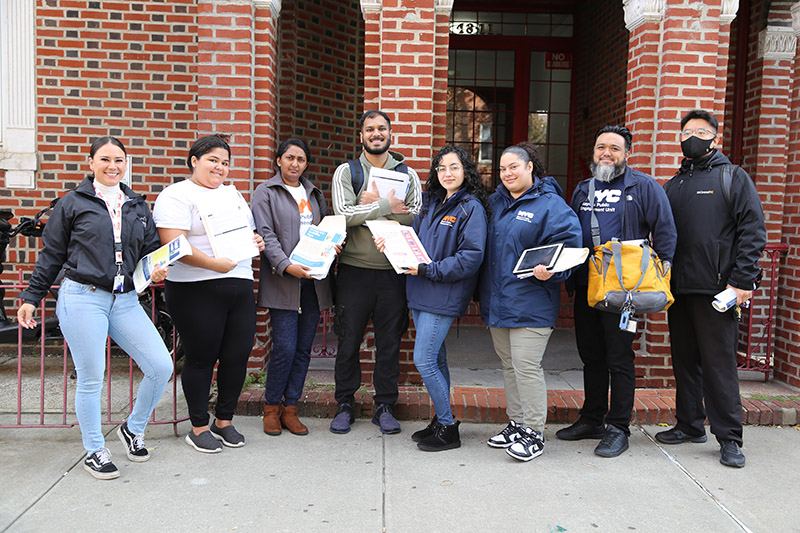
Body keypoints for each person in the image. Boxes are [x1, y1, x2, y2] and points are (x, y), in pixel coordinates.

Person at [17, 136, 173, 480]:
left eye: (119, 159)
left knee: (161, 366)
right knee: (91, 378)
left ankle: (133, 429)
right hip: (82, 297)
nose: (113, 166)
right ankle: (94, 449)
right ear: (91, 163)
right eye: (105, 159)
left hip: (126, 299)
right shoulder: (73, 203)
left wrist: (157, 268)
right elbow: (52, 255)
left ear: (126, 163)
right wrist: (31, 297)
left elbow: (148, 252)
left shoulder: (137, 204)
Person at [558, 125, 676, 458]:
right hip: (587, 286)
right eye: (600, 148)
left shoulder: (644, 187)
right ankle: (592, 418)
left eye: (614, 148)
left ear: (626, 154)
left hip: (625, 291)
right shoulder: (583, 189)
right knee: (591, 355)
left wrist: (661, 271)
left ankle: (618, 427)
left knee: (620, 358)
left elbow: (665, 231)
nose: (606, 153)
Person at [660, 109, 766, 468]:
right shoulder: (672, 185)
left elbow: (753, 231)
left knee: (719, 365)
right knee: (685, 362)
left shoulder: (732, 178)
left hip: (718, 291)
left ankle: (730, 438)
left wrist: (742, 280)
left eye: (701, 131)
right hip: (679, 289)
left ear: (714, 138)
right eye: (686, 131)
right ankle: (689, 424)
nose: (693, 136)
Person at [153, 135, 265, 453]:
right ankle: (199, 425)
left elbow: (244, 233)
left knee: (237, 355)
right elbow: (174, 244)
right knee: (202, 358)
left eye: (225, 162)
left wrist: (254, 241)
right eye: (212, 160)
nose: (219, 167)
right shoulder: (176, 195)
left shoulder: (233, 196)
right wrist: (214, 265)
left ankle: (224, 421)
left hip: (239, 283)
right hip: (195, 287)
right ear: (194, 160)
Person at [374, 145, 488, 451]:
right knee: (436, 359)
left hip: (444, 291)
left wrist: (429, 269)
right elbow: (416, 242)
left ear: (466, 171)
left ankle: (449, 426)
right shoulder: (433, 202)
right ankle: (441, 419)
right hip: (421, 289)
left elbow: (471, 257)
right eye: (441, 168)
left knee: (423, 359)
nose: (447, 173)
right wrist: (392, 242)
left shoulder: (471, 207)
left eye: (454, 167)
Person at [479, 142, 581, 462]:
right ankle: (517, 423)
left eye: (514, 167)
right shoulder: (494, 203)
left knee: (526, 366)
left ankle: (534, 431)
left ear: (529, 168)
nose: (507, 173)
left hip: (533, 302)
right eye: (502, 169)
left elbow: (571, 249)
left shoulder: (550, 205)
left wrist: (551, 271)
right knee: (510, 366)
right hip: (499, 301)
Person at [329, 110, 422, 435]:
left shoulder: (409, 175)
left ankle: (384, 405)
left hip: (394, 272)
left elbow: (415, 217)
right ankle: (344, 403)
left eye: (381, 128)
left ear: (390, 133)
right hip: (354, 271)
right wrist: (386, 206)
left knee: (389, 344)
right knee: (348, 340)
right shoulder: (348, 171)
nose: (376, 133)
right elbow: (342, 213)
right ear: (362, 136)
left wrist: (368, 205)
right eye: (370, 129)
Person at [252, 138, 334, 437]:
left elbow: (325, 230)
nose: (295, 164)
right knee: (284, 347)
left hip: (312, 282)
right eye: (289, 158)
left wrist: (332, 247)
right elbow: (266, 235)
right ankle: (271, 408)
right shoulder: (267, 192)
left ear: (306, 164)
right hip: (283, 280)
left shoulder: (314, 193)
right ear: (278, 161)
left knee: (303, 350)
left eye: (300, 159)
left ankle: (291, 409)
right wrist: (286, 265)